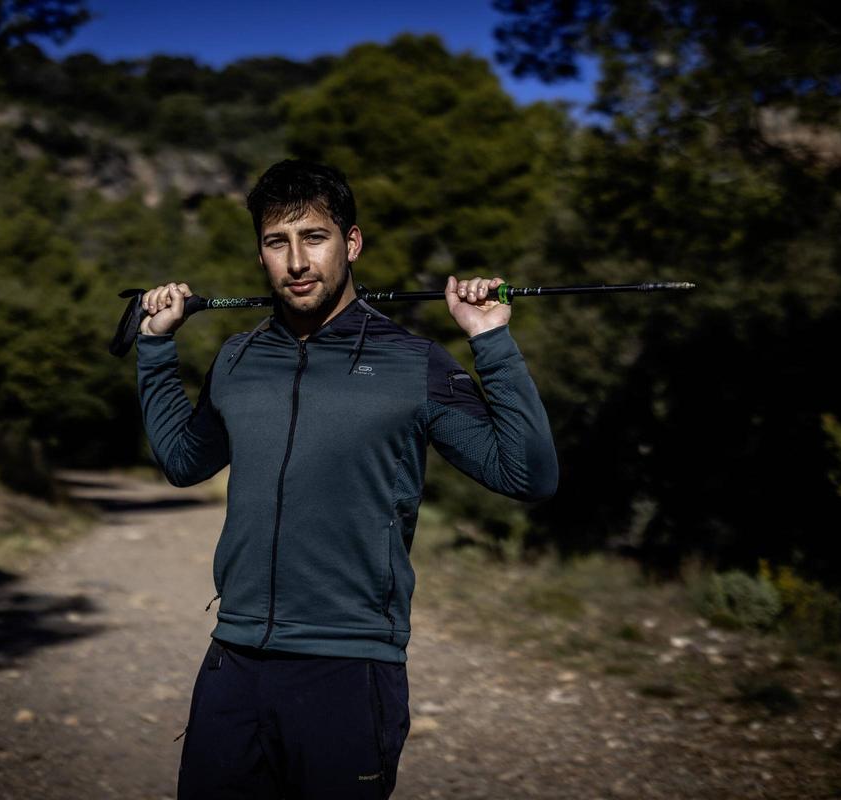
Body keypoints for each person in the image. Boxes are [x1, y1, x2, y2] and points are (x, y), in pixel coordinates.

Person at [135, 159, 558, 799]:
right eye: (278, 243)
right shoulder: (239, 359)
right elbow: (182, 461)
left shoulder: (413, 363)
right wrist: (155, 351)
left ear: (351, 242)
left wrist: (491, 341)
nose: (297, 261)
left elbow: (527, 473)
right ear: (260, 256)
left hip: (350, 666)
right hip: (236, 661)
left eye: (315, 237)